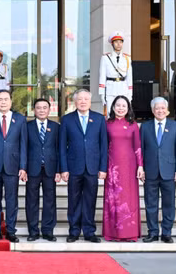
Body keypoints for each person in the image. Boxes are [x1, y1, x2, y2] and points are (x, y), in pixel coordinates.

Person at [59, 88, 107, 243]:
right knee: (73, 200)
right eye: (80, 99)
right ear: (75, 101)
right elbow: (62, 146)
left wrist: (103, 168)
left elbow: (103, 145)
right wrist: (64, 168)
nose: (83, 101)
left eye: (86, 99)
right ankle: (74, 231)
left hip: (92, 167)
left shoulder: (99, 119)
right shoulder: (66, 119)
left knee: (90, 200)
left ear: (90, 101)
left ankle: (88, 231)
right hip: (73, 167)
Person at [0, 90, 27, 243]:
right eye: (0, 99)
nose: (3, 102)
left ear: (11, 101)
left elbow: (23, 144)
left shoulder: (20, 119)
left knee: (11, 201)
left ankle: (10, 231)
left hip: (12, 166)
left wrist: (23, 166)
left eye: (5, 99)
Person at [140, 97, 176, 243]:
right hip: (150, 171)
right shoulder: (145, 127)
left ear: (167, 110)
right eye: (157, 108)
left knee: (169, 204)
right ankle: (152, 232)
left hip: (169, 171)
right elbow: (141, 150)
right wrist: (141, 168)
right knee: (151, 204)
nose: (160, 111)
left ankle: (166, 232)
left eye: (162, 108)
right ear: (153, 111)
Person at [102, 96, 144, 242]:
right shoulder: (107, 124)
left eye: (123, 106)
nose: (121, 108)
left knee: (129, 199)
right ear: (113, 107)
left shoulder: (133, 125)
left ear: (128, 108)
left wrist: (140, 166)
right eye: (118, 105)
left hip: (129, 167)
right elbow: (103, 147)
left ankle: (129, 232)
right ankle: (112, 233)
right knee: (113, 200)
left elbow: (137, 146)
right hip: (112, 167)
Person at [25, 98, 60, 242]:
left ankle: (47, 231)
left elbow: (59, 149)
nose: (41, 110)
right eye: (38, 107)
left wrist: (59, 170)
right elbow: (24, 149)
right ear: (34, 110)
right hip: (32, 169)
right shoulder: (27, 126)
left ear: (49, 109)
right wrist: (24, 168)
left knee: (50, 201)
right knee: (31, 201)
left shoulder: (56, 126)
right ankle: (33, 231)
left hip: (50, 169)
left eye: (44, 107)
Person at [98, 32, 133, 115]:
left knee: (124, 113)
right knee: (110, 113)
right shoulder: (105, 58)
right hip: (110, 89)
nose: (119, 44)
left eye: (120, 42)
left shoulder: (127, 58)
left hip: (123, 88)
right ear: (112, 43)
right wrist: (102, 94)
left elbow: (129, 77)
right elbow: (102, 76)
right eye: (116, 42)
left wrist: (130, 93)